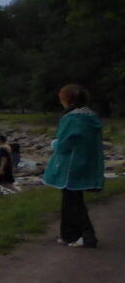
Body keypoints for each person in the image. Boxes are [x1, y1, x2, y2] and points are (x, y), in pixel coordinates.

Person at [42, 84, 105, 248]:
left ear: (67, 100)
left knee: (73, 203)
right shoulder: (91, 117)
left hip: (70, 165)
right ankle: (69, 235)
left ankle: (87, 236)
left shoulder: (71, 119)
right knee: (71, 200)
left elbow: (64, 144)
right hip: (85, 162)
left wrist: (54, 144)